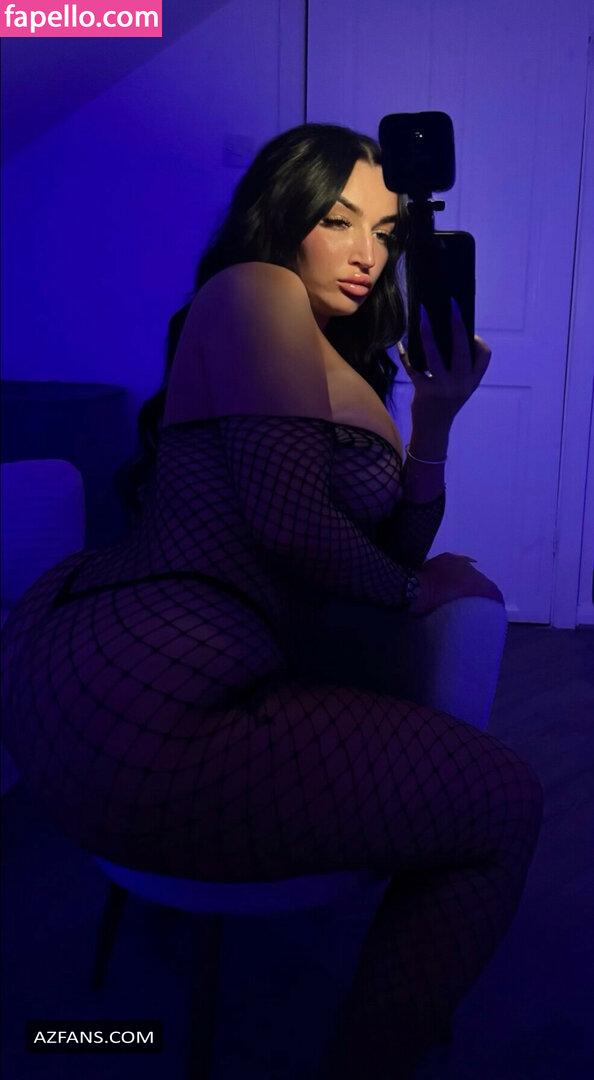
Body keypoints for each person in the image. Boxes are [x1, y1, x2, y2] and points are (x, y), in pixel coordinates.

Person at [1, 123, 543, 1079]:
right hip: (144, 682)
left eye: (387, 232)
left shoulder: (337, 360)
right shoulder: (254, 289)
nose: (368, 254)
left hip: (169, 673)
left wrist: (436, 418)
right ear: (282, 214)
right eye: (338, 220)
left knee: (493, 799)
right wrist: (414, 591)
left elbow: (382, 547)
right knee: (504, 805)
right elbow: (293, 526)